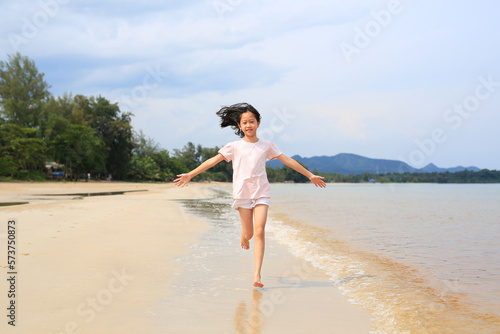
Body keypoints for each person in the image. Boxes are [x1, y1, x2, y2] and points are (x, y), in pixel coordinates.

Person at [174, 103, 326, 288]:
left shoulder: (267, 146)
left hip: (261, 193)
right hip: (242, 194)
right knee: (249, 234)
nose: (248, 125)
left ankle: (257, 275)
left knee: (260, 231)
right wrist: (191, 174)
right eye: (244, 122)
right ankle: (244, 235)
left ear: (258, 123)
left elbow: (287, 160)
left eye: (251, 121)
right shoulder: (234, 147)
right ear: (239, 126)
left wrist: (310, 175)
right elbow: (212, 161)